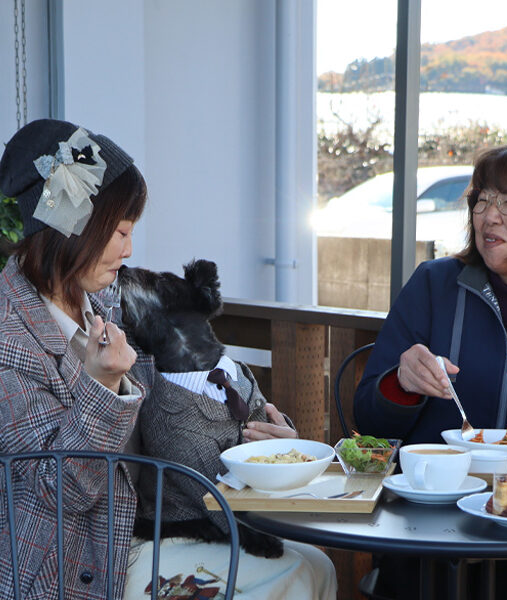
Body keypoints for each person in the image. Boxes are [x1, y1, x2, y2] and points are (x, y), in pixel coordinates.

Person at [0, 119, 336, 600]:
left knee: (315, 565)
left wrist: (267, 437)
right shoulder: (9, 335)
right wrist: (98, 386)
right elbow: (62, 495)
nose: (129, 249)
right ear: (70, 228)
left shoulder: (110, 299)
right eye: (118, 231)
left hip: (151, 527)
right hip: (70, 564)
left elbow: (200, 371)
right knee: (296, 576)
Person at [354, 136, 507, 600]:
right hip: (427, 517)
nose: (488, 215)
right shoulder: (433, 284)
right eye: (482, 199)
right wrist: (403, 383)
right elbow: (368, 417)